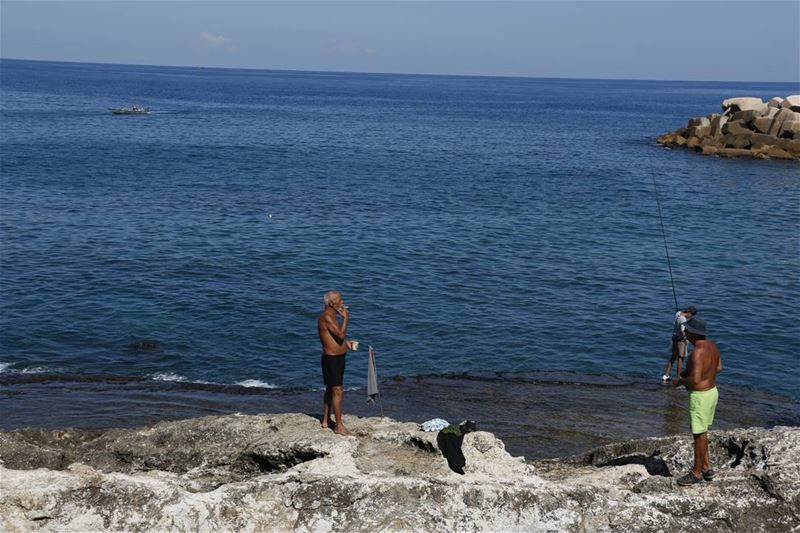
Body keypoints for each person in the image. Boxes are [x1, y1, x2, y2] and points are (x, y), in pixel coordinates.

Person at [673, 317, 723, 486]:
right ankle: (707, 469)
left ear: (694, 333)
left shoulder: (697, 352)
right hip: (712, 392)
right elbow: (718, 368)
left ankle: (696, 473)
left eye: (686, 330)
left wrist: (679, 381)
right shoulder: (713, 346)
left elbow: (694, 381)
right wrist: (702, 374)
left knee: (699, 435)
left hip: (700, 396)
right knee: (702, 432)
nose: (684, 332)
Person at [318, 290, 356, 436]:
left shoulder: (332, 316)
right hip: (332, 359)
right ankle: (339, 426)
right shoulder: (327, 316)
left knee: (330, 388)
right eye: (340, 300)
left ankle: (326, 419)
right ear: (331, 303)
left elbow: (334, 339)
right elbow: (340, 335)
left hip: (336, 357)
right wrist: (346, 318)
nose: (342, 302)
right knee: (338, 390)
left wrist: (347, 344)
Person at [662, 306, 697, 382]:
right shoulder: (683, 319)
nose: (691, 317)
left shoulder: (678, 313)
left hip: (674, 338)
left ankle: (666, 375)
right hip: (681, 341)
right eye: (691, 315)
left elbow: (679, 317)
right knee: (681, 359)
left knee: (673, 357)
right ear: (689, 313)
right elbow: (683, 332)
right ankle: (678, 377)